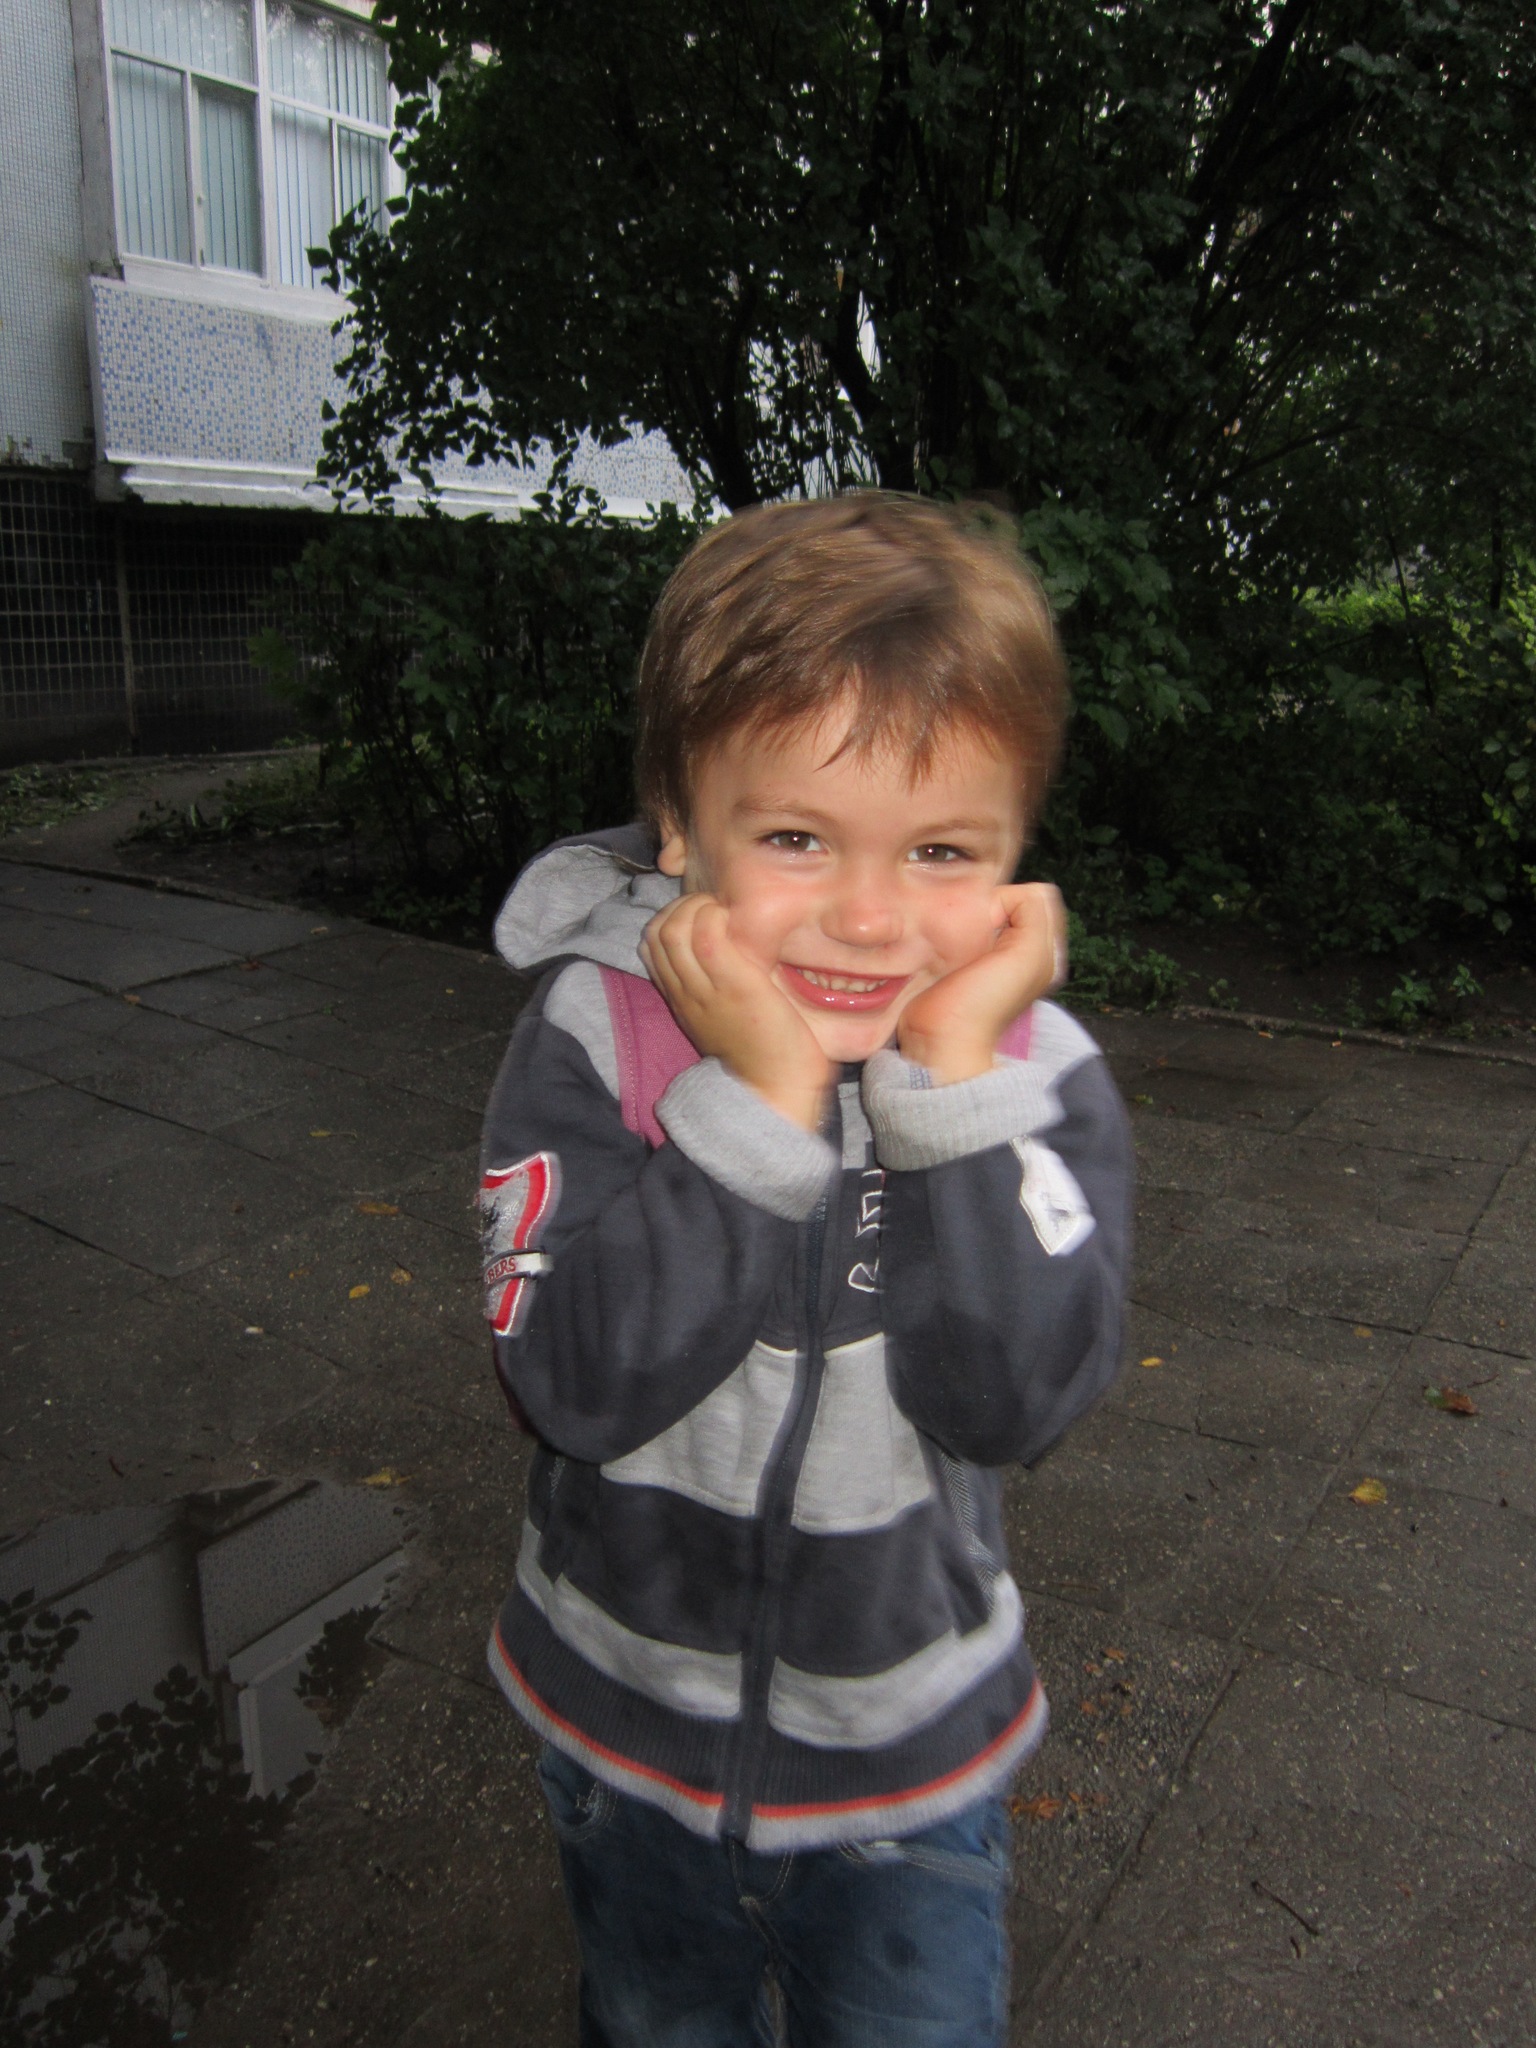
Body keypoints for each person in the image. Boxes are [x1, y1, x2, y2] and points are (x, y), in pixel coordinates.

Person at [478, 493, 1133, 2047]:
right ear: (680, 828)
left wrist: (952, 1092)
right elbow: (571, 1385)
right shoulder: (595, 1036)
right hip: (626, 1724)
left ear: (1016, 859)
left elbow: (1015, 1404)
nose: (868, 915)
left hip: (907, 1749)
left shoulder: (1033, 1076)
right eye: (794, 837)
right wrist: (761, 1110)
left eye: (942, 850)